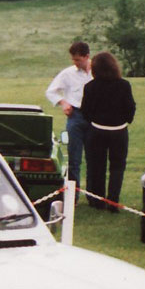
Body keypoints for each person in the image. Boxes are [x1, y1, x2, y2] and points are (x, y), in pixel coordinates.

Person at [79, 51, 135, 213]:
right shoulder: (124, 85)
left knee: (97, 167)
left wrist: (95, 121)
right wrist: (125, 121)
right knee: (117, 167)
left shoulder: (90, 87)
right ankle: (113, 202)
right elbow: (130, 107)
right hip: (119, 132)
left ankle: (98, 201)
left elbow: (85, 111)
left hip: (97, 131)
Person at [45, 41, 92, 187]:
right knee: (74, 159)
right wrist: (63, 103)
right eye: (73, 59)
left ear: (87, 57)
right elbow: (51, 91)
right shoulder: (68, 73)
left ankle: (94, 196)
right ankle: (74, 195)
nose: (75, 62)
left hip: (94, 117)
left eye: (78, 59)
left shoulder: (98, 71)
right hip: (76, 117)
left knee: (94, 158)